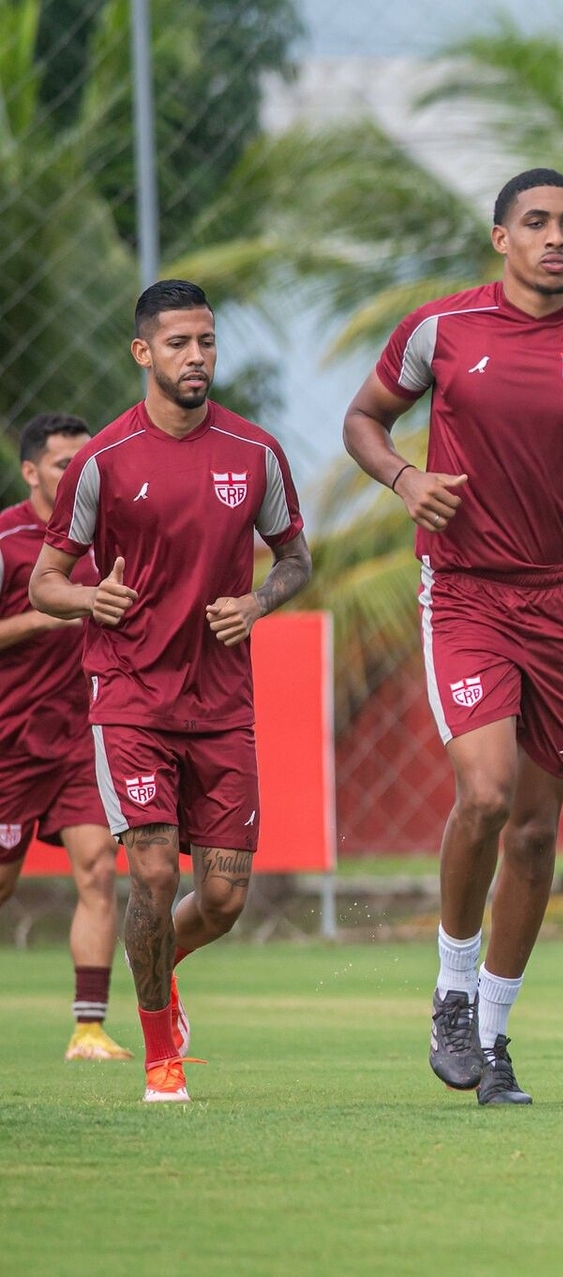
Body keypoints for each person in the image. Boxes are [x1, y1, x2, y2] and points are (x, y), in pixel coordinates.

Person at [343, 168, 563, 1106]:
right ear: (501, 238)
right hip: (463, 592)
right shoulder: (442, 330)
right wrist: (407, 481)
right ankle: (451, 991)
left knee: (534, 836)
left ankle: (493, 1040)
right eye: (536, 222)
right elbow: (363, 419)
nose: (557, 237)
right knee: (485, 793)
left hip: (560, 600)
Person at [31, 280, 312, 1102]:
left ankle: (160, 963)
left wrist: (258, 601)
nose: (198, 358)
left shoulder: (255, 453)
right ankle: (162, 1062)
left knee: (222, 898)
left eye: (208, 342)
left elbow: (296, 558)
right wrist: (91, 599)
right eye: (181, 344)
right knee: (152, 874)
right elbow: (49, 580)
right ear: (143, 353)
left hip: (221, 703)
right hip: (129, 697)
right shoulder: (102, 462)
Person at [0, 413, 132, 1063]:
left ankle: (88, 1028)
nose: (78, 474)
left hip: (84, 735)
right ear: (30, 471)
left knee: (99, 870)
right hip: (10, 738)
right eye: (62, 464)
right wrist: (48, 613)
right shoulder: (6, 540)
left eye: (87, 462)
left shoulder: (108, 535)